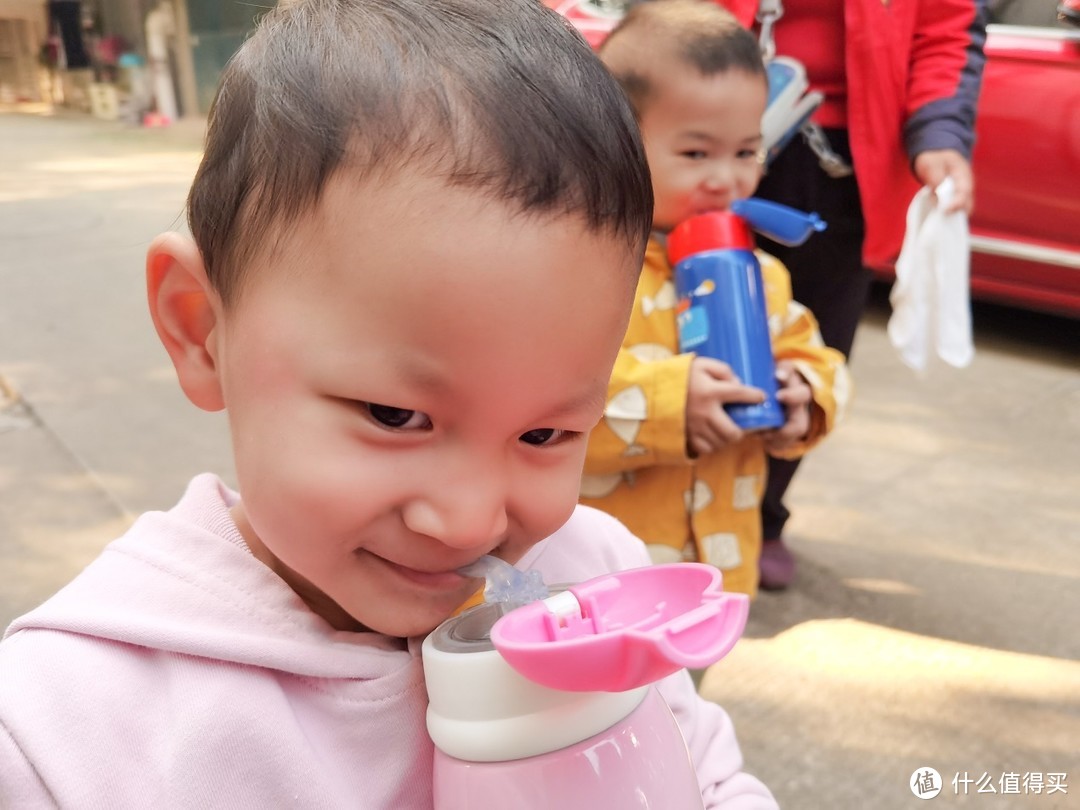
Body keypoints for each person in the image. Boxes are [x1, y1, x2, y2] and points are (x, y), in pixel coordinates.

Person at [0, 1, 778, 807]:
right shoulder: (71, 728)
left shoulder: (590, 586)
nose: (471, 523)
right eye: (394, 416)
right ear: (202, 331)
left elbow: (712, 777)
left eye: (545, 432)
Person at [581, 0, 850, 599]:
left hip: (714, 579)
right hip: (599, 587)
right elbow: (533, 411)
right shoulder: (581, 270)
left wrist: (804, 395)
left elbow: (822, 360)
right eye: (697, 153)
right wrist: (668, 403)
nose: (727, 179)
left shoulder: (765, 276)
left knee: (687, 698)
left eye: (746, 152)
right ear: (615, 140)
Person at [721, 0, 988, 589]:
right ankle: (662, 501)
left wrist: (940, 131)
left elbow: (947, 31)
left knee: (811, 348)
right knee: (684, 323)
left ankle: (762, 517)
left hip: (849, 167)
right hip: (713, 129)